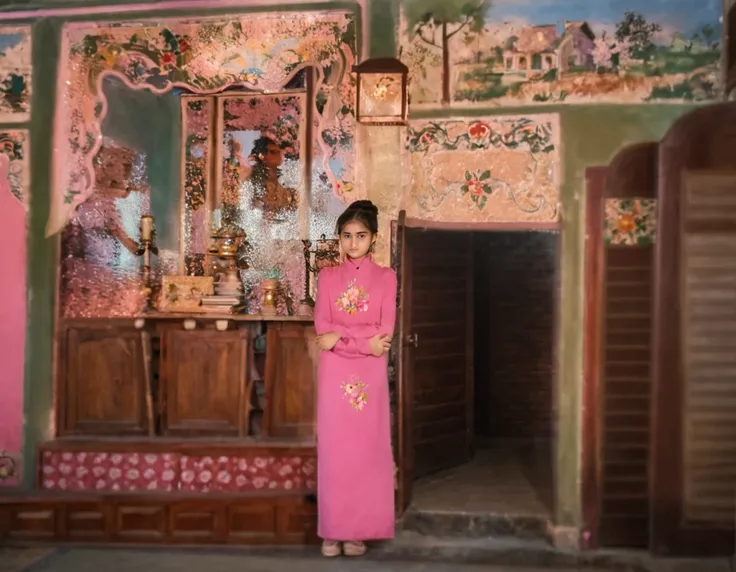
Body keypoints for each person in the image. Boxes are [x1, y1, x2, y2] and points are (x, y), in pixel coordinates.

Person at [313, 199, 397, 557]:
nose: (352, 243)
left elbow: (386, 332)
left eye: (360, 236)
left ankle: (358, 530)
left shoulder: (387, 277)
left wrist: (344, 339)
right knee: (335, 451)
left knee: (366, 451)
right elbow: (322, 330)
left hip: (368, 377)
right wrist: (363, 342)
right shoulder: (327, 277)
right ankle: (333, 531)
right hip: (335, 375)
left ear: (373, 238)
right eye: (346, 236)